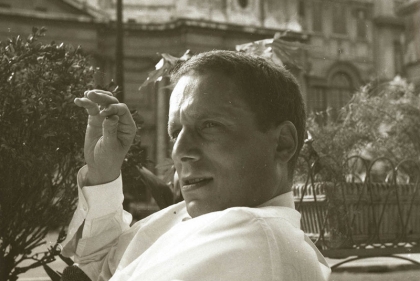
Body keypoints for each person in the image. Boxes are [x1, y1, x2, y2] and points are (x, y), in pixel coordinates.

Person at [61, 50, 331, 281]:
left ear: (283, 144)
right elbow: (101, 269)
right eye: (175, 132)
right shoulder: (190, 217)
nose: (179, 152)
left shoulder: (256, 235)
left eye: (209, 126)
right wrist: (103, 174)